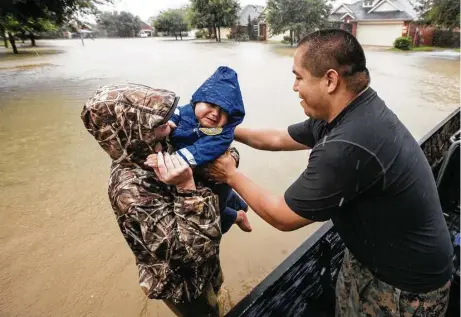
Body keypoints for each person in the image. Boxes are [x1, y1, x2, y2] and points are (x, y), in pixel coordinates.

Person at [203, 29, 453, 316]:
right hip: (368, 256)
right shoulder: (345, 112)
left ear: (330, 80)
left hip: (407, 286)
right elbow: (273, 138)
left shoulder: (348, 143)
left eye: (298, 77)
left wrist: (230, 175)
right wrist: (218, 130)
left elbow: (283, 216)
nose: (294, 87)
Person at [80, 83, 234, 317]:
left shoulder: (162, 142)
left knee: (217, 294)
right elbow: (187, 256)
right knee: (206, 312)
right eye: (157, 123)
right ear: (132, 131)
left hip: (208, 262)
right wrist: (186, 187)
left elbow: (215, 143)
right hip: (181, 285)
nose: (169, 124)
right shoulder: (130, 191)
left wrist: (228, 157)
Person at [147, 66, 252, 234]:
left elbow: (201, 149)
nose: (215, 114)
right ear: (197, 100)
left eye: (223, 112)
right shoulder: (186, 111)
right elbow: (175, 113)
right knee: (226, 198)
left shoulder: (221, 133)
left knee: (216, 213)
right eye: (211, 104)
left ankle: (238, 216)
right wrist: (170, 123)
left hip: (216, 182)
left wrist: (169, 161)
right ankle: (239, 206)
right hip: (196, 173)